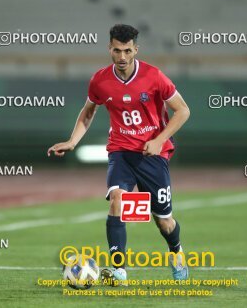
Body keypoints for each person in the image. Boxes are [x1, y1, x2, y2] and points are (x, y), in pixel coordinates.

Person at [47, 24, 191, 283]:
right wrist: (72, 141)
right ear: (109, 49)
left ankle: (176, 251)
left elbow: (183, 110)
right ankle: (119, 270)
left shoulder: (154, 76)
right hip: (120, 151)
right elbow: (89, 111)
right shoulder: (100, 80)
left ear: (136, 49)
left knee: (164, 222)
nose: (122, 56)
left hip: (152, 155)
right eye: (116, 50)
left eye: (127, 50)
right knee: (117, 199)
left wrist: (159, 139)